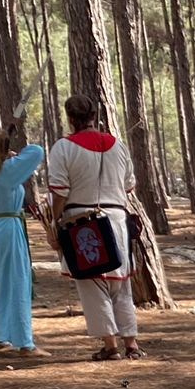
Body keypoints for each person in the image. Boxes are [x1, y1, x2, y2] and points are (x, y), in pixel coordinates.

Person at [46, 93, 144, 361]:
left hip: (81, 222)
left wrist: (54, 222)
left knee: (93, 283)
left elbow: (60, 191)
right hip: (116, 219)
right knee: (119, 283)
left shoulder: (63, 148)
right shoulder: (117, 145)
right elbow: (129, 185)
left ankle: (111, 346)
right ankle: (131, 343)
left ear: (70, 118)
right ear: (94, 117)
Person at [0, 121, 48, 358]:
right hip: (9, 228)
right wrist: (13, 157)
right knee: (18, 282)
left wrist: (6, 155)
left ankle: (1, 337)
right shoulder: (8, 170)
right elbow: (37, 151)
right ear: (5, 151)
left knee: (0, 284)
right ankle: (25, 343)